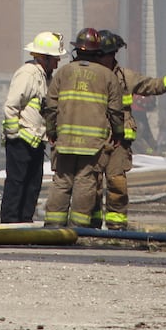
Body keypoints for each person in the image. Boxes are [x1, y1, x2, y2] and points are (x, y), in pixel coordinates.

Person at [95, 30, 166, 230]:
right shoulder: (87, 77)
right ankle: (90, 224)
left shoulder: (125, 76)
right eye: (104, 54)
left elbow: (152, 86)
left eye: (110, 54)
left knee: (117, 183)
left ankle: (116, 227)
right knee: (91, 185)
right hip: (93, 140)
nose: (107, 58)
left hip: (118, 143)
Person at [41, 27, 122, 228]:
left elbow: (50, 106)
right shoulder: (107, 76)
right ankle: (78, 228)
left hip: (65, 140)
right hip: (92, 144)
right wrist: (118, 133)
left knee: (61, 181)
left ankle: (53, 226)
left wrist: (51, 131)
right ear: (97, 52)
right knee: (85, 182)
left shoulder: (63, 73)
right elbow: (115, 111)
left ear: (77, 50)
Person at [0, 31, 66, 223]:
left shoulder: (45, 77)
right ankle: (10, 222)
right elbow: (11, 106)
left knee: (33, 184)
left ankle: (24, 221)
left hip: (36, 141)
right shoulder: (28, 74)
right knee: (17, 182)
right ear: (44, 58)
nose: (57, 63)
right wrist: (14, 135)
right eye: (54, 59)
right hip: (20, 141)